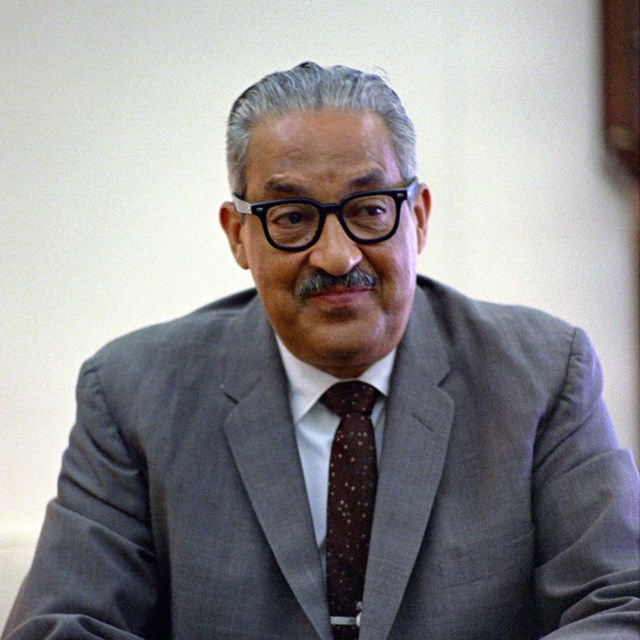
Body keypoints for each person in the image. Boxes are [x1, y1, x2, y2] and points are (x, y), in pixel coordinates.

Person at [3, 62, 639, 640]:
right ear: (239, 236)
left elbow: (620, 604)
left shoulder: (541, 373)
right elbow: (63, 626)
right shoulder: (133, 392)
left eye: (368, 210)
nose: (337, 256)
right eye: (291, 217)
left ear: (417, 217)